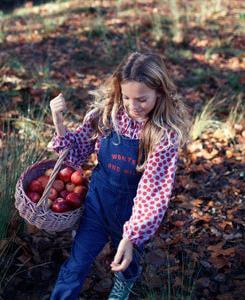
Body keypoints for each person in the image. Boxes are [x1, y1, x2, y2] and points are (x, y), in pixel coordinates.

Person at [49, 51, 190, 300]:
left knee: (128, 260)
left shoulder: (162, 135)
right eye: (126, 97)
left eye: (142, 99)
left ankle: (125, 283)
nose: (133, 106)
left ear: (160, 92)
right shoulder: (107, 117)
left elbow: (152, 190)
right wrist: (58, 121)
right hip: (97, 205)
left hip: (132, 211)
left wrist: (131, 235)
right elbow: (74, 154)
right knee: (76, 263)